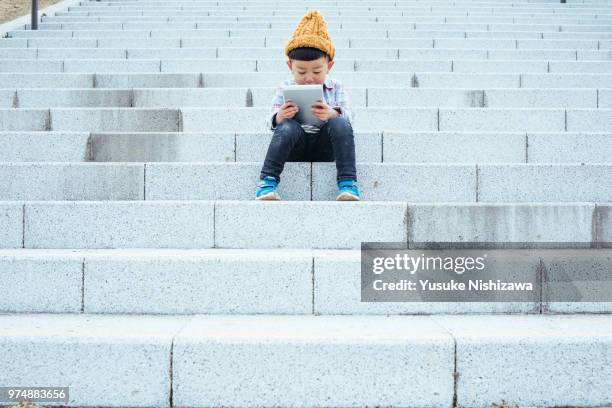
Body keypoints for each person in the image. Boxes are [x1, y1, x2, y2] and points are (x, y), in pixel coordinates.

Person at [255, 10, 360, 201]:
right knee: (286, 126)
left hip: (325, 146)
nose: (309, 77)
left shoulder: (336, 88)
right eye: (301, 71)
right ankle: (267, 181)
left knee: (340, 122)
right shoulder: (285, 87)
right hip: (295, 145)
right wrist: (280, 116)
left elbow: (349, 120)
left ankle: (348, 183)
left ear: (329, 66)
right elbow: (270, 122)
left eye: (317, 71)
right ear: (290, 66)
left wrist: (332, 114)